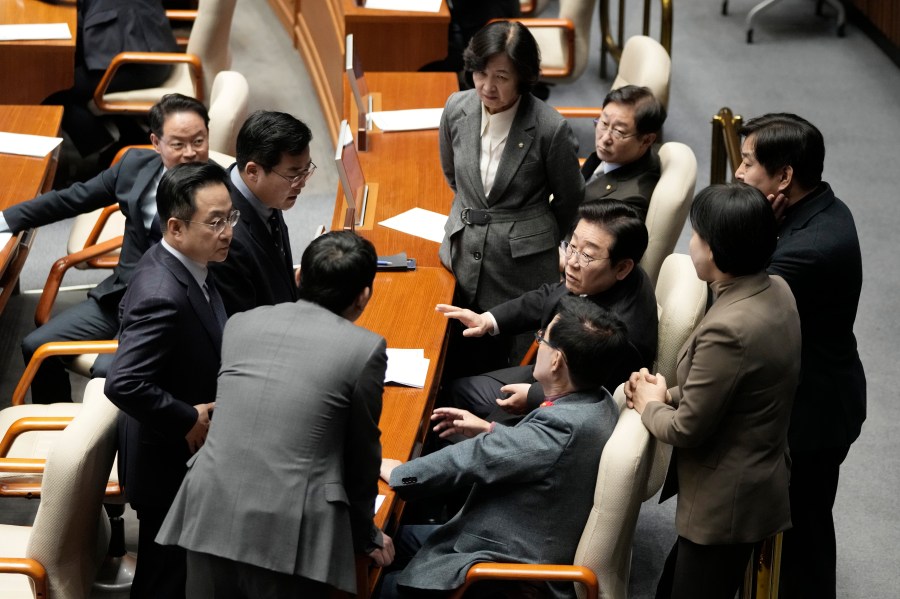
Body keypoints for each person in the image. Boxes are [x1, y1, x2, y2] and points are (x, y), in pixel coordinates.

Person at [157, 231, 394, 598]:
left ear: (299, 278)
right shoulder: (364, 349)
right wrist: (365, 535)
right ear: (364, 295)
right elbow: (362, 456)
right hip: (289, 532)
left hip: (210, 508)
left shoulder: (241, 324)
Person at [379, 298, 627, 598]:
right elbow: (539, 452)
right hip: (511, 531)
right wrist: (490, 429)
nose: (540, 343)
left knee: (380, 584)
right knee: (391, 536)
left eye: (542, 339)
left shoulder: (563, 428)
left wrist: (401, 473)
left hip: (506, 564)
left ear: (556, 361)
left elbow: (474, 458)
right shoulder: (599, 400)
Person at [627, 183, 801, 599]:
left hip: (727, 504)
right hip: (758, 477)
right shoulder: (775, 288)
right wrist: (668, 393)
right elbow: (736, 382)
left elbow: (687, 430)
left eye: (697, 235)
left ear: (717, 250)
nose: (691, 243)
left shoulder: (729, 328)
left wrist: (650, 405)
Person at [0, 93, 210, 404]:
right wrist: (6, 219)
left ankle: (114, 444)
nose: (191, 153)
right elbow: (72, 198)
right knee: (37, 347)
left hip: (178, 310)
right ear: (156, 142)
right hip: (121, 295)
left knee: (114, 375)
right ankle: (57, 420)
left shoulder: (220, 193)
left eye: (199, 141)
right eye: (178, 144)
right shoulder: (134, 167)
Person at [735, 113, 866, 599]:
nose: (739, 174)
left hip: (814, 414)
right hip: (818, 391)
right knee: (802, 529)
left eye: (748, 164)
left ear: (784, 177)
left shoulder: (805, 249)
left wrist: (753, 236)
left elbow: (734, 299)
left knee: (804, 534)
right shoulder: (821, 206)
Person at [105, 162, 235, 599]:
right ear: (175, 227)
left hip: (180, 454)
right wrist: (185, 418)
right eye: (215, 222)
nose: (228, 231)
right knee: (163, 580)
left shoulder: (185, 262)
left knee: (176, 573)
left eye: (230, 217)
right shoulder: (162, 291)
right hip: (166, 460)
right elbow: (123, 382)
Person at [438, 200, 657, 420]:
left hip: (558, 407)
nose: (571, 262)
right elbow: (550, 295)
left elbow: (591, 399)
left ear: (622, 267)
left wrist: (533, 396)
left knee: (459, 418)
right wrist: (487, 319)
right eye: (572, 246)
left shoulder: (617, 336)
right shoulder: (606, 276)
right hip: (550, 370)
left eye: (587, 255)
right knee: (456, 391)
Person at [438, 20, 584, 314]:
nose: (487, 86)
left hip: (522, 268)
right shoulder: (456, 107)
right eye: (480, 73)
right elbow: (454, 176)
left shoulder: (550, 128)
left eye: (501, 77)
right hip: (461, 252)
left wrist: (531, 235)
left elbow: (571, 197)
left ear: (523, 77)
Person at [209, 110, 315, 315]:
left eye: (306, 171)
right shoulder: (226, 237)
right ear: (252, 171)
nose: (301, 184)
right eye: (293, 175)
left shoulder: (266, 194)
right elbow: (245, 325)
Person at [45, 0, 179, 157]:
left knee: (55, 88)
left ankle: (109, 152)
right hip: (144, 49)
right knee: (62, 72)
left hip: (140, 62)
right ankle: (132, 137)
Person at [582, 85, 666, 220]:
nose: (604, 139)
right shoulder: (620, 155)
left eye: (619, 132)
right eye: (603, 123)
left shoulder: (631, 202)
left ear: (646, 140)